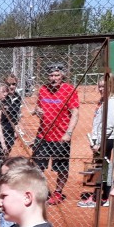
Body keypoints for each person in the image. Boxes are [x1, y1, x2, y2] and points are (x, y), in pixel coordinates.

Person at [31, 63, 79, 205]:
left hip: (61, 136)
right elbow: (39, 107)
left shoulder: (69, 89)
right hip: (43, 135)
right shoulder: (43, 89)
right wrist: (38, 111)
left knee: (61, 167)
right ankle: (40, 191)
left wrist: (68, 133)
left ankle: (58, 193)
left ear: (62, 75)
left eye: (57, 75)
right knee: (36, 165)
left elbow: (75, 113)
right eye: (51, 75)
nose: (53, 78)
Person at [80, 74, 114, 208]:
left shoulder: (112, 102)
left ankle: (98, 197)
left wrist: (99, 143)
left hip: (106, 139)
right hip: (100, 139)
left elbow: (108, 125)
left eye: (104, 86)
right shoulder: (104, 100)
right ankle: (104, 196)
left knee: (100, 168)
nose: (101, 89)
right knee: (103, 168)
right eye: (100, 86)